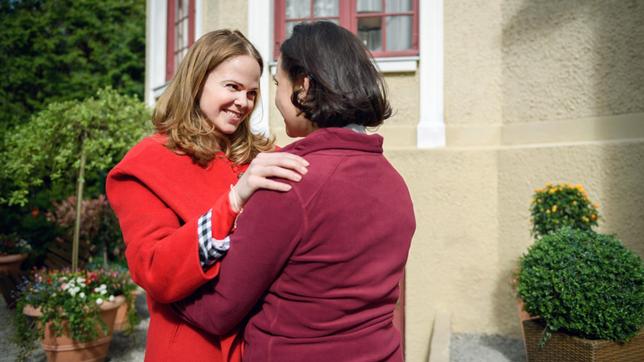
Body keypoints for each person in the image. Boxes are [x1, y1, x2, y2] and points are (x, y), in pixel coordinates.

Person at [174, 21, 416, 361]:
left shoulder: (291, 179)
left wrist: (160, 283)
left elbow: (220, 311)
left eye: (276, 83)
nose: (268, 99)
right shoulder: (394, 182)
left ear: (303, 86)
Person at [106, 30, 309, 362]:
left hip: (263, 346)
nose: (243, 102)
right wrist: (232, 203)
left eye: (252, 93)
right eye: (232, 87)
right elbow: (154, 271)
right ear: (197, 81)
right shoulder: (144, 164)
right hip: (193, 349)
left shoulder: (263, 155)